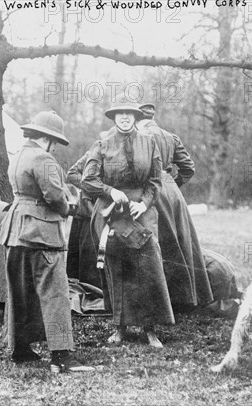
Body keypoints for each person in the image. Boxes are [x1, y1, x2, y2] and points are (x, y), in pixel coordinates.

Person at [0, 111, 93, 372]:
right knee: (55, 293)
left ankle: (20, 349)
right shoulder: (44, 159)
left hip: (15, 230)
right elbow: (55, 198)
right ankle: (62, 357)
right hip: (41, 233)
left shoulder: (18, 156)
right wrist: (70, 209)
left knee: (20, 292)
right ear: (50, 139)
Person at [81, 99, 174, 348]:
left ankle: (150, 328)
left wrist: (144, 203)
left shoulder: (149, 142)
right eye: (119, 113)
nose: (124, 117)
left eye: (129, 113)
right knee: (117, 266)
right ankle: (120, 326)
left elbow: (155, 181)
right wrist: (110, 191)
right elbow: (88, 180)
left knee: (149, 265)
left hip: (141, 211)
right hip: (113, 212)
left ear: (135, 116)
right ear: (114, 117)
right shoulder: (102, 145)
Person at [137, 102, 213, 311]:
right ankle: (186, 297)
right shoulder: (170, 136)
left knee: (153, 242)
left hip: (150, 191)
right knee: (180, 243)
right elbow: (188, 168)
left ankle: (160, 299)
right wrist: (173, 186)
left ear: (137, 118)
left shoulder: (139, 137)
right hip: (172, 191)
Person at [66, 149, 102, 288]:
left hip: (110, 208)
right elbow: (72, 174)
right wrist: (90, 186)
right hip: (88, 210)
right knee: (88, 251)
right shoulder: (92, 153)